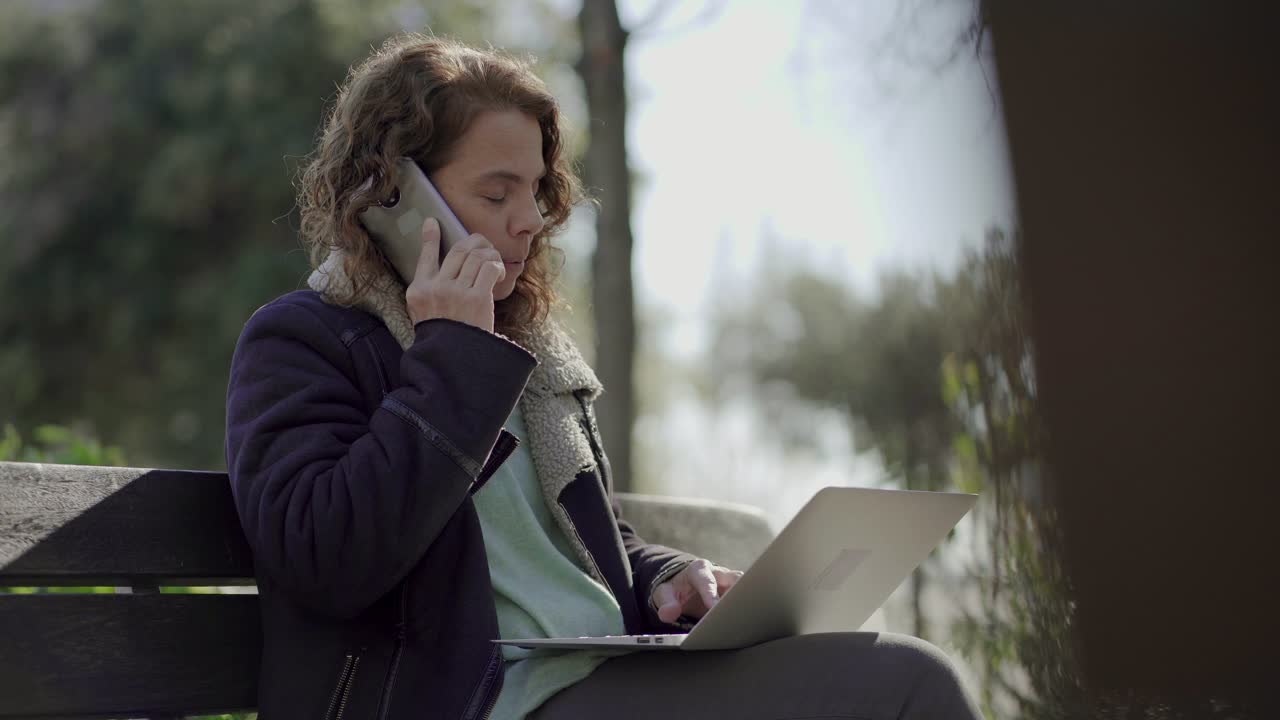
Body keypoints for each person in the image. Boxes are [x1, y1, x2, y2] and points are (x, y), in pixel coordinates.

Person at [224, 33, 982, 720]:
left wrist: (664, 582)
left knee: (907, 677)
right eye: (496, 193)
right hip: (480, 704)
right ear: (394, 195)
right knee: (908, 687)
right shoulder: (306, 339)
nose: (530, 220)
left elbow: (578, 553)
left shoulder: (529, 355)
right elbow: (326, 561)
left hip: (600, 678)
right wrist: (449, 359)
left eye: (534, 191)